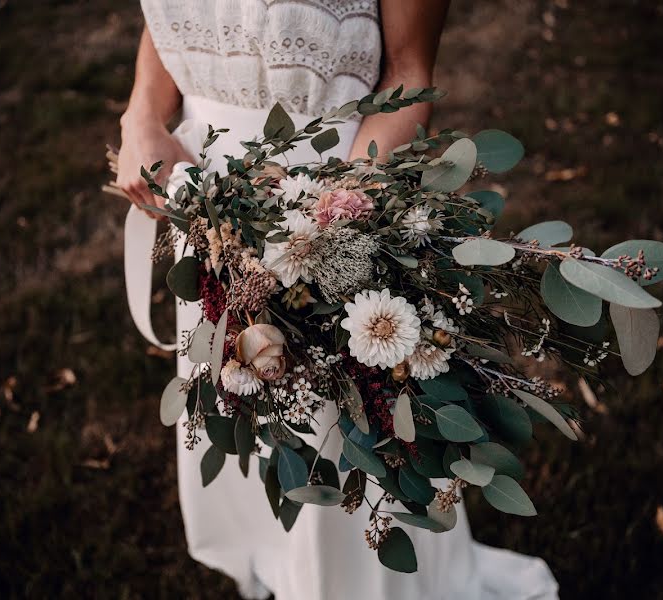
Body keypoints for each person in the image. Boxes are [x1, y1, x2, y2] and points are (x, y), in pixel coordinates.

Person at [117, 2, 559, 598]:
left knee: (343, 438)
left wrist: (331, 227)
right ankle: (278, 560)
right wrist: (142, 114)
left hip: (328, 213)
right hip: (206, 201)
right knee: (244, 394)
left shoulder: (331, 227)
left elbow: (408, 71)